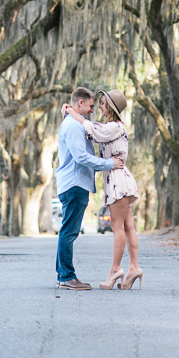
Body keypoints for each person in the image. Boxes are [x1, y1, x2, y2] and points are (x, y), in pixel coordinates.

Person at [63, 88, 143, 290]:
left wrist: (72, 112)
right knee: (127, 226)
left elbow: (93, 130)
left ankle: (115, 270)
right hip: (119, 179)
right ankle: (133, 268)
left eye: (101, 104)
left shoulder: (114, 127)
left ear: (111, 107)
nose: (98, 107)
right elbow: (92, 135)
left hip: (117, 179)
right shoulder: (111, 127)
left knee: (118, 227)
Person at [55, 86, 125, 290]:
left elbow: (94, 130)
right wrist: (110, 164)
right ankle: (67, 276)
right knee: (69, 231)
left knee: (67, 231)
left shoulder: (75, 123)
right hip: (75, 184)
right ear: (80, 103)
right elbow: (81, 157)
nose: (92, 110)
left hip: (74, 183)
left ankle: (62, 275)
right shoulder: (74, 126)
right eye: (91, 106)